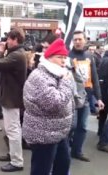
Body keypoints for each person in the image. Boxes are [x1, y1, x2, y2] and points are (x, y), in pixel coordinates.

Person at [23, 38, 74, 175]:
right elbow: (55, 103)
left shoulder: (58, 74)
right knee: (41, 170)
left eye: (65, 57)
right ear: (49, 58)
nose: (63, 61)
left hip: (58, 131)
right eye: (59, 57)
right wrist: (67, 82)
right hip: (43, 134)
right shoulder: (40, 76)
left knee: (63, 165)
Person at [0, 28, 27, 172]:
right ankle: (13, 154)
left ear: (15, 40)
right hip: (10, 97)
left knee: (13, 129)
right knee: (12, 129)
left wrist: (0, 50)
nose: (6, 42)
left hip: (12, 98)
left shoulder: (17, 55)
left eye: (8, 39)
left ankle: (17, 161)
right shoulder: (17, 53)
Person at [69, 31, 104, 162]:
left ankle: (77, 151)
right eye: (75, 39)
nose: (77, 42)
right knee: (71, 126)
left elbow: (94, 77)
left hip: (87, 97)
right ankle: (66, 149)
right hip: (72, 97)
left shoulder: (89, 56)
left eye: (80, 39)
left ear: (85, 40)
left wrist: (98, 97)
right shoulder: (67, 56)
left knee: (82, 126)